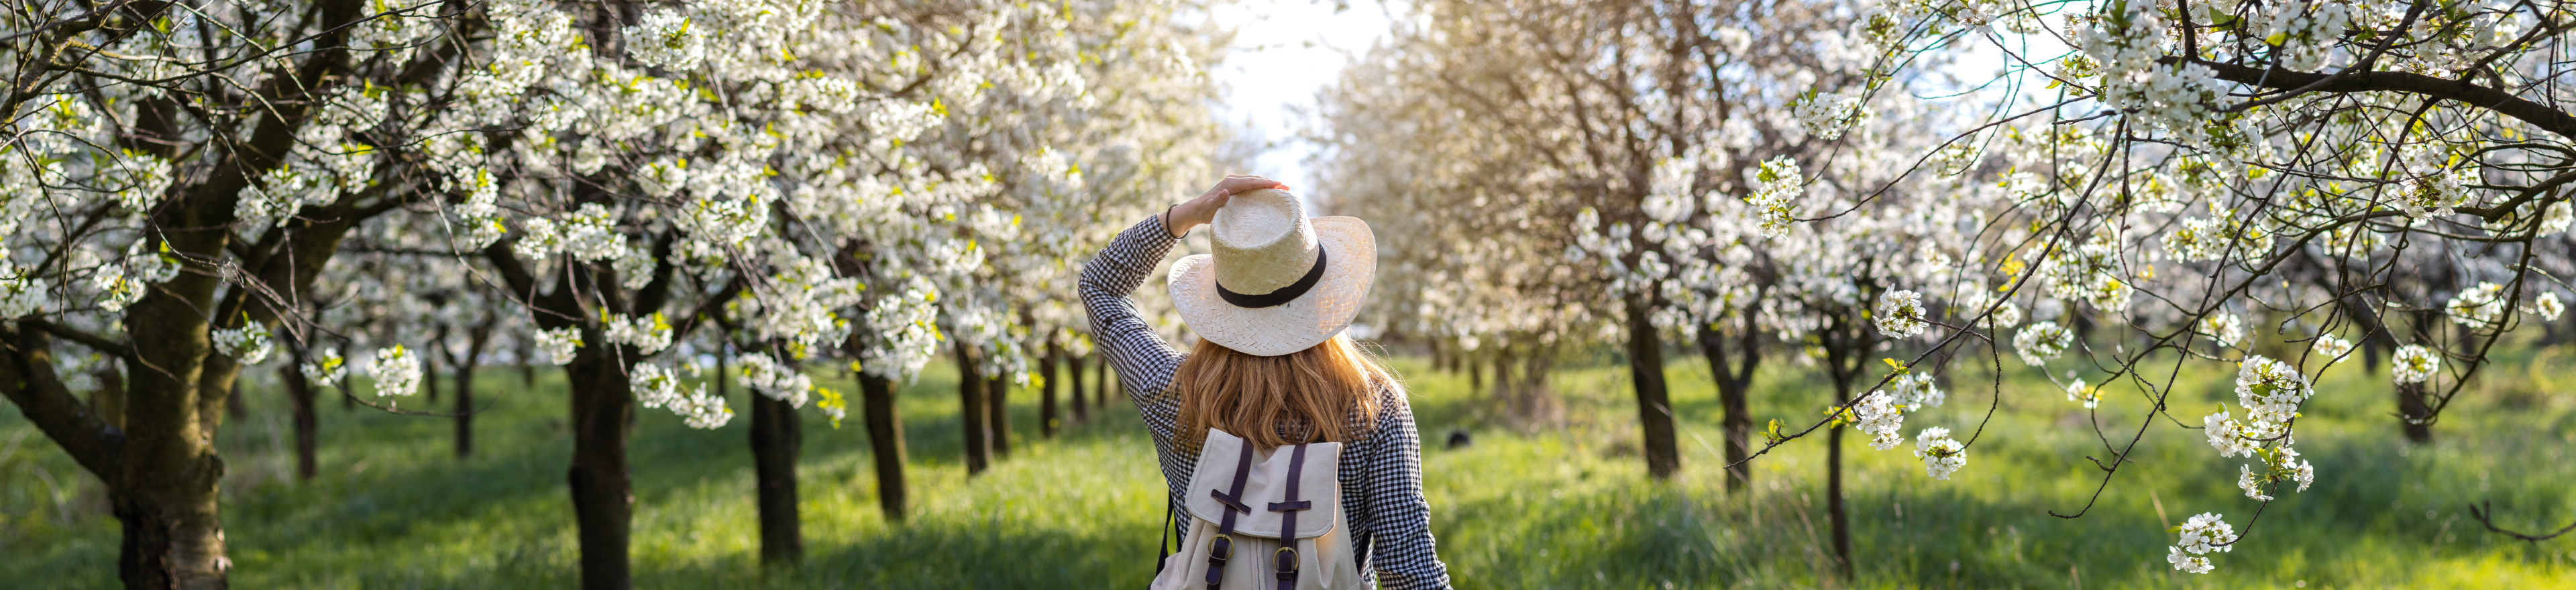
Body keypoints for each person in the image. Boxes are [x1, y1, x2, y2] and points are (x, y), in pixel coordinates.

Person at [1081, 174, 1452, 588]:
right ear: (1326, 296)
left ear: (1221, 302)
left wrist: (1181, 217)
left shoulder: (1174, 392)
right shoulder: (1372, 406)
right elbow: (1409, 570)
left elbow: (1099, 287)